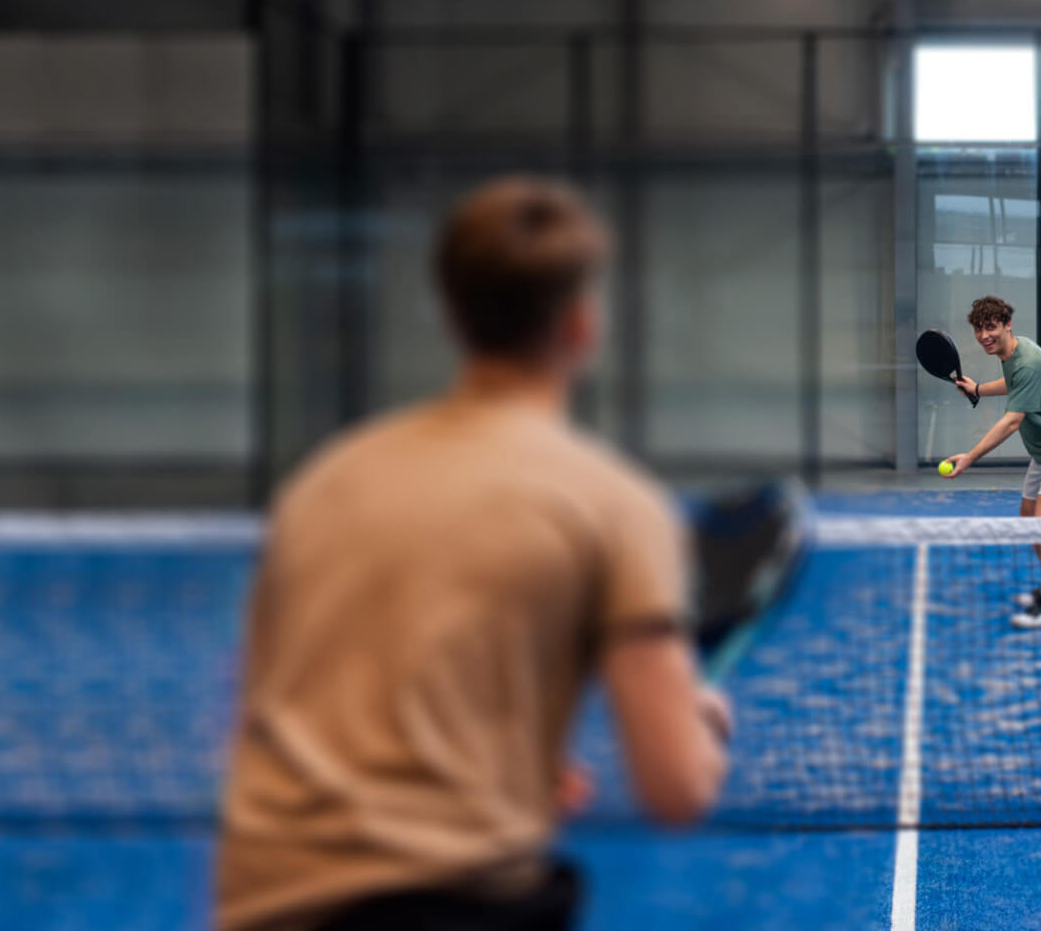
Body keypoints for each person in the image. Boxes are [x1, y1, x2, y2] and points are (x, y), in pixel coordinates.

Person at [215, 176, 732, 931]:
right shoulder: (613, 503)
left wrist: (505, 763)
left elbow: (265, 702)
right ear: (582, 325)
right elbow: (676, 789)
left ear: (451, 314)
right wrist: (705, 725)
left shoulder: (324, 481)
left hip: (264, 895)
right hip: (451, 902)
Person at [938, 295, 1041, 629]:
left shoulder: (1027, 359)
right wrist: (979, 389)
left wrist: (969, 457)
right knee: (1029, 520)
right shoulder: (1013, 353)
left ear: (1007, 325)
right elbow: (1014, 385)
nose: (984, 335)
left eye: (991, 327)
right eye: (979, 329)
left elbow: (1012, 421)